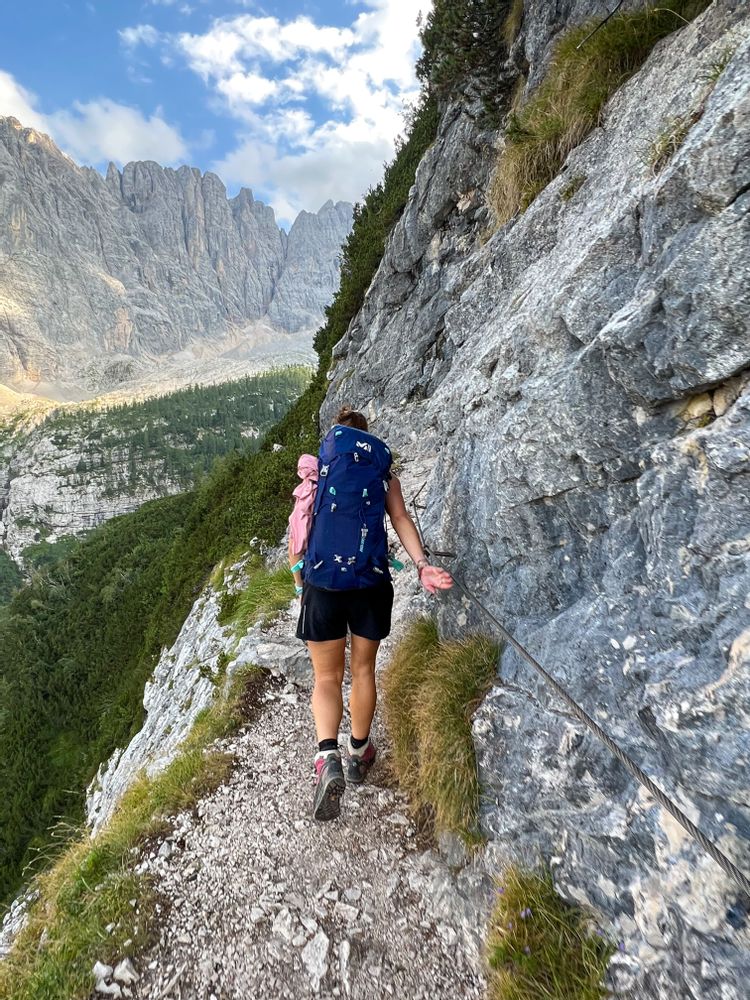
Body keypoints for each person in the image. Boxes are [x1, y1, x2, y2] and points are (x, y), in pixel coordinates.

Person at [290, 405, 453, 821]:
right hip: (370, 582)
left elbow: (300, 527)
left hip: (323, 584)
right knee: (363, 670)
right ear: (368, 439)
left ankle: (327, 757)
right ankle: (359, 752)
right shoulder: (382, 473)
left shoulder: (319, 470)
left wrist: (301, 581)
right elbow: (398, 516)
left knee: (326, 676)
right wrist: (421, 566)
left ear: (335, 439)